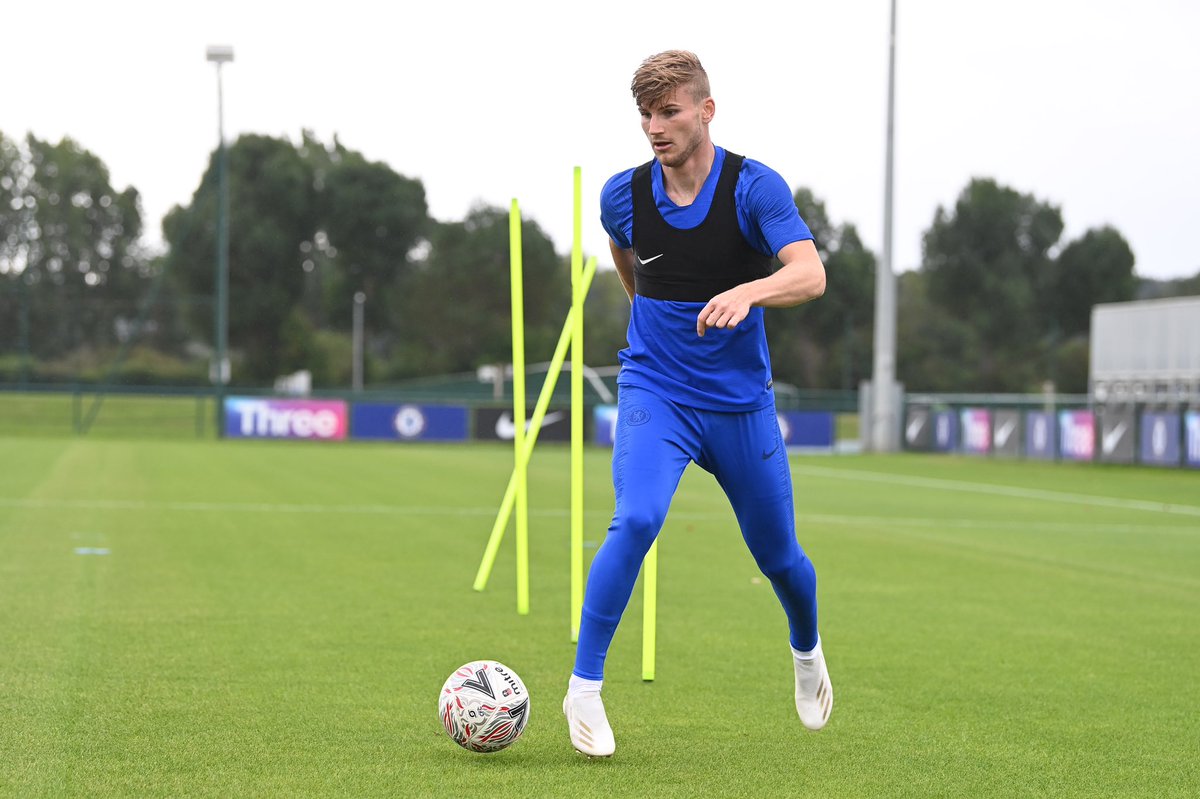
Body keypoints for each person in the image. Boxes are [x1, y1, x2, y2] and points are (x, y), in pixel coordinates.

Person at [562, 50, 832, 758]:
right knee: (639, 515)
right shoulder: (622, 196)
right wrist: (655, 338)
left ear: (706, 110)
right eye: (646, 114)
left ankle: (806, 651)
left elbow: (809, 273)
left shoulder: (754, 187)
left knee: (779, 558)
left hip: (740, 405)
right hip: (657, 390)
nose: (656, 126)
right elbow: (629, 262)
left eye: (670, 111)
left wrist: (750, 291)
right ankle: (583, 688)